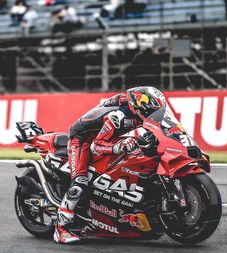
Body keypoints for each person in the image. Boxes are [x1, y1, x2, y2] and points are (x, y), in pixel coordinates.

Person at [54, 86, 166, 243]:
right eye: (152, 111)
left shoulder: (138, 110)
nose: (154, 115)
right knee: (80, 181)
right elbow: (96, 145)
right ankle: (60, 229)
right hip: (83, 139)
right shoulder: (117, 116)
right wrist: (117, 147)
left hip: (106, 137)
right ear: (140, 108)